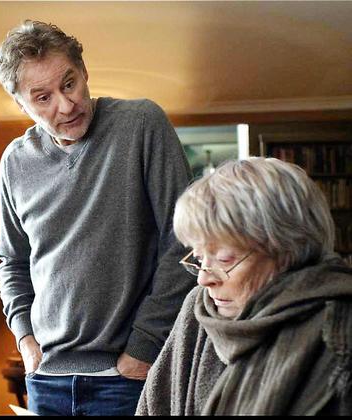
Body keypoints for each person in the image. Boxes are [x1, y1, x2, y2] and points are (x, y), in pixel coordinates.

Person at [0, 20, 195, 416]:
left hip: (128, 377)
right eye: (43, 98)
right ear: (21, 105)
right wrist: (25, 339)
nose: (66, 105)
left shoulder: (141, 124)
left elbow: (185, 240)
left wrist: (144, 347)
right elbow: (12, 262)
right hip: (45, 379)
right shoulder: (15, 162)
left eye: (69, 84)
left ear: (84, 71)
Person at [136, 157, 352, 415]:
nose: (204, 279)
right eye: (200, 258)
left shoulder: (339, 332)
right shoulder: (199, 308)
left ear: (287, 250)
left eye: (224, 259)